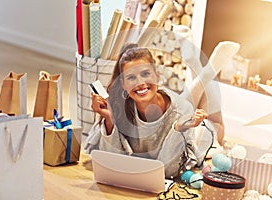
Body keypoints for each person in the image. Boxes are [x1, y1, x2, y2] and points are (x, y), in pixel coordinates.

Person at [84, 43, 223, 178]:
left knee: (214, 123)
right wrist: (109, 119)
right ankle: (201, 71)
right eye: (131, 77)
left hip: (199, 131)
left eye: (145, 74)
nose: (139, 82)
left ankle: (204, 72)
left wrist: (178, 128)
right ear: (123, 84)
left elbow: (168, 171)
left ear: (157, 76)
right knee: (186, 103)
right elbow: (112, 161)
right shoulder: (121, 107)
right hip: (179, 108)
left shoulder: (182, 111)